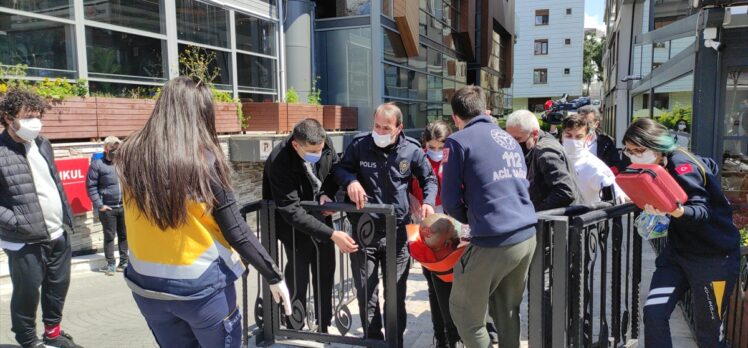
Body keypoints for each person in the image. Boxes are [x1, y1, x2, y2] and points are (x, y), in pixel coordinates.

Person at [117, 77, 291, 347]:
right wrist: (273, 275)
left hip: (147, 287)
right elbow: (236, 230)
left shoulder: (128, 154)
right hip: (201, 289)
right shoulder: (203, 161)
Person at [623, 118, 741, 348]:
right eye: (629, 151)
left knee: (709, 334)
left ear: (657, 145)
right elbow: (711, 166)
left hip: (714, 260)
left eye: (639, 150)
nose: (634, 156)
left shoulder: (681, 165)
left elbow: (701, 211)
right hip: (677, 255)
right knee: (654, 314)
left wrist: (673, 209)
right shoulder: (658, 164)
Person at [334, 103, 438, 345]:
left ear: (399, 128)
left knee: (395, 294)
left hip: (398, 233)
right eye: (376, 125)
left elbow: (429, 179)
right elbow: (340, 170)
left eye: (386, 127)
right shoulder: (360, 145)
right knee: (366, 293)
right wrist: (350, 181)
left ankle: (394, 341)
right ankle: (373, 340)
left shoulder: (411, 150)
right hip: (364, 232)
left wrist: (428, 201)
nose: (379, 131)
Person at [441, 86, 537, 348]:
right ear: (485, 109)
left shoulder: (458, 141)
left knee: (464, 314)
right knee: (506, 309)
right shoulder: (507, 138)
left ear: (455, 117)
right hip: (526, 234)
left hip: (494, 239)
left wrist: (471, 221)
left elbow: (449, 200)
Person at [0, 89, 81, 348]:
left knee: (57, 289)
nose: (34, 121)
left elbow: (53, 183)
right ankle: (27, 340)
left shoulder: (43, 144)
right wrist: (18, 223)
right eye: (27, 116)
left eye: (37, 115)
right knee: (26, 294)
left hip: (57, 234)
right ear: (8, 118)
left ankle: (53, 334)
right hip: (25, 241)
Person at [262, 118, 358, 332]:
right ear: (296, 145)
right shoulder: (279, 160)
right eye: (313, 150)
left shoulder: (324, 142)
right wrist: (333, 234)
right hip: (293, 229)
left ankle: (323, 326)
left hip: (321, 219)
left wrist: (329, 195)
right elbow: (290, 209)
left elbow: (334, 171)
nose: (319, 152)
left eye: (321, 148)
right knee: (298, 275)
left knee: (325, 271)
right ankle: (295, 324)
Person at [408, 120, 461, 347]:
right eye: (432, 147)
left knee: (450, 283)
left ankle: (453, 334)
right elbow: (407, 187)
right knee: (432, 283)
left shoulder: (456, 158)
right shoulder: (418, 159)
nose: (436, 152)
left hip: (451, 227)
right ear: (425, 144)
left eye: (441, 147)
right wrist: (411, 199)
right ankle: (441, 336)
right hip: (424, 227)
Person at [505, 110, 581, 211]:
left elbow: (565, 192)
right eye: (510, 139)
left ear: (535, 134)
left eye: (517, 139)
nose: (514, 144)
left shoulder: (545, 151)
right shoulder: (538, 145)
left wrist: (535, 213)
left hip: (555, 223)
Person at [561, 113, 627, 204]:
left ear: (587, 138)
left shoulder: (594, 165)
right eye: (568, 136)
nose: (573, 140)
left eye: (578, 137)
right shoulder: (555, 158)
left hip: (584, 216)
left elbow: (616, 193)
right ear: (562, 135)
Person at [86, 136, 127, 276]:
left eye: (117, 148)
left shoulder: (122, 164)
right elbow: (91, 187)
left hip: (124, 207)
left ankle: (124, 262)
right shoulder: (97, 165)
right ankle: (110, 264)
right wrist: (100, 205)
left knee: (124, 236)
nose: (115, 150)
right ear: (106, 148)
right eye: (112, 147)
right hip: (108, 208)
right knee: (109, 237)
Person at [578, 105, 625, 172]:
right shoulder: (570, 141)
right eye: (581, 123)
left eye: (588, 123)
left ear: (596, 124)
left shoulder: (606, 143)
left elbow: (617, 165)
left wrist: (605, 174)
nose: (584, 126)